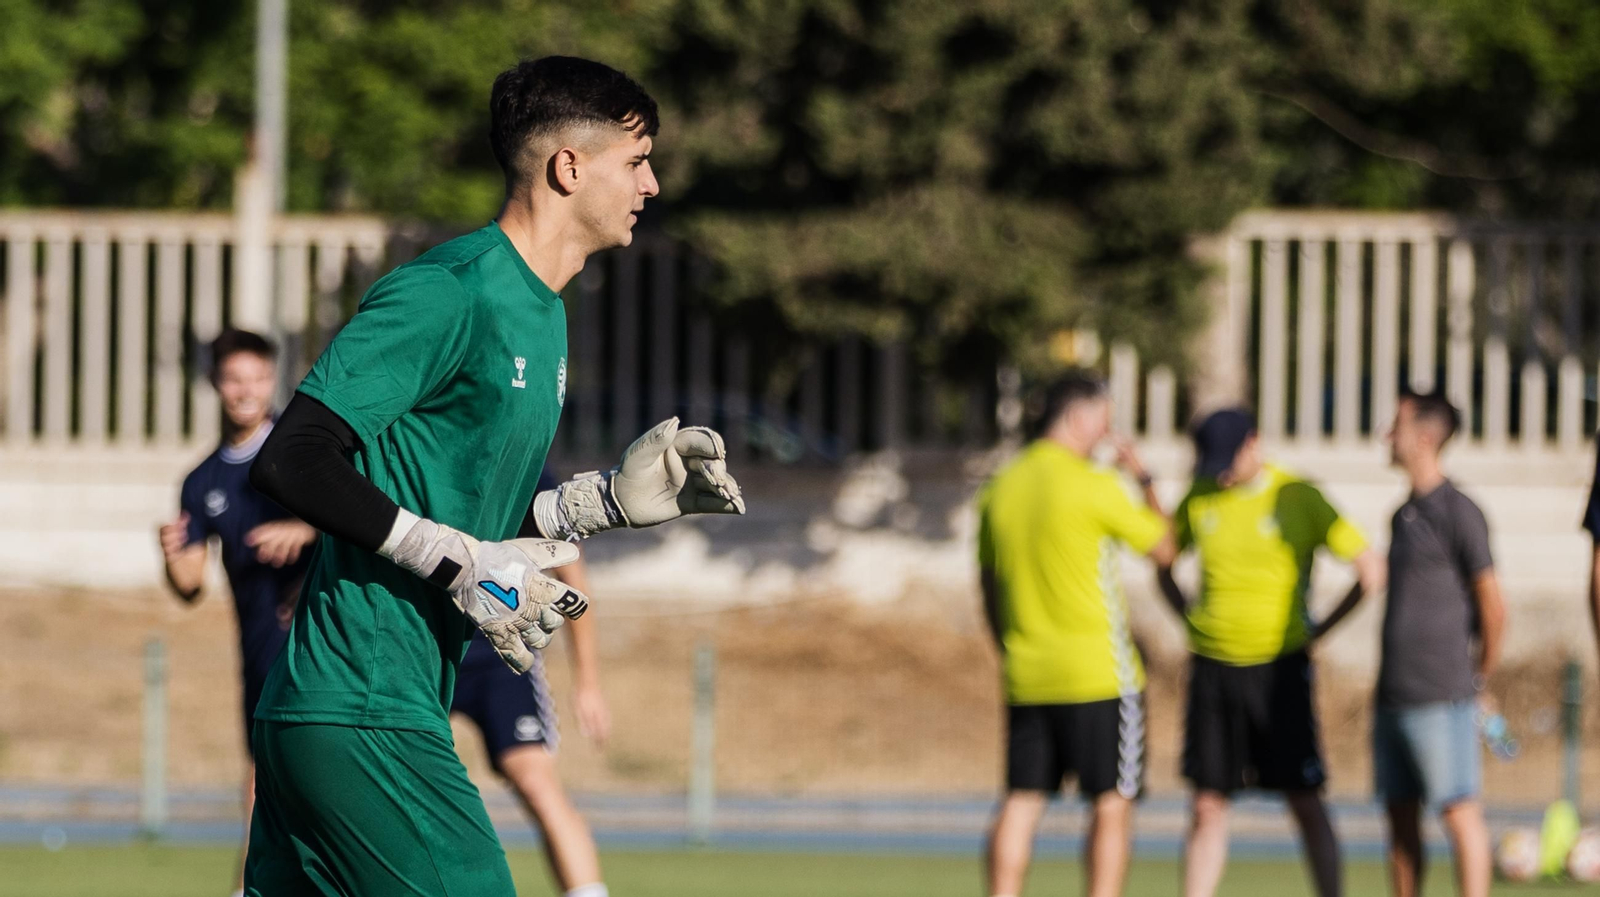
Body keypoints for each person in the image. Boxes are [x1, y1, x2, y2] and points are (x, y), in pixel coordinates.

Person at [243, 56, 745, 897]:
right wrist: (451, 560)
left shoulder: (544, 313)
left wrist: (598, 504)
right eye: (638, 160)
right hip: (364, 702)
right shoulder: (449, 290)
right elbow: (290, 458)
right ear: (569, 167)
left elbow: (468, 519)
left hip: (365, 706)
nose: (652, 184)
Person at [1159, 408, 1384, 897]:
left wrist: (1319, 628)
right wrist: (1190, 618)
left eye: (1228, 460)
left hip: (1279, 670)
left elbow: (1369, 569)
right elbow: (1163, 560)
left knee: (1303, 797)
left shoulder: (1298, 495)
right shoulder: (1201, 496)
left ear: (1253, 444)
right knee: (1208, 803)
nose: (1220, 472)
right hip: (1213, 670)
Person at [976, 370, 1177, 897]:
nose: (1106, 437)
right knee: (1111, 804)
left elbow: (988, 585)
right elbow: (1166, 548)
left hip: (1028, 672)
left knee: (1021, 800)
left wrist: (1009, 645)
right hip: (1099, 676)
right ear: (1079, 416)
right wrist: (1146, 480)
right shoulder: (1094, 485)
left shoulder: (1001, 488)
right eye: (1104, 424)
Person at [156, 329, 319, 896]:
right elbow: (189, 584)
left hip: (322, 648)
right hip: (257, 653)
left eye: (256, 377)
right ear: (216, 385)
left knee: (321, 780)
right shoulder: (203, 482)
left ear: (272, 379)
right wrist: (172, 555)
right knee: (260, 786)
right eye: (234, 379)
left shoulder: (304, 450)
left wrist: (305, 528)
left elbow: (363, 518)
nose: (245, 390)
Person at [450, 467, 611, 897]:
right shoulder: (415, 445)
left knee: (536, 783)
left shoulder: (527, 467)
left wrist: (588, 684)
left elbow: (573, 581)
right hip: (420, 653)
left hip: (501, 658)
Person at [1378, 390, 1502, 897]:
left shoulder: (1460, 511)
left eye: (1398, 426)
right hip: (1393, 695)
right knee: (1399, 820)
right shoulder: (1401, 514)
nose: (1388, 435)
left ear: (1426, 435)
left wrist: (1479, 678)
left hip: (1443, 694)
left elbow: (1493, 607)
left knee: (1458, 811)